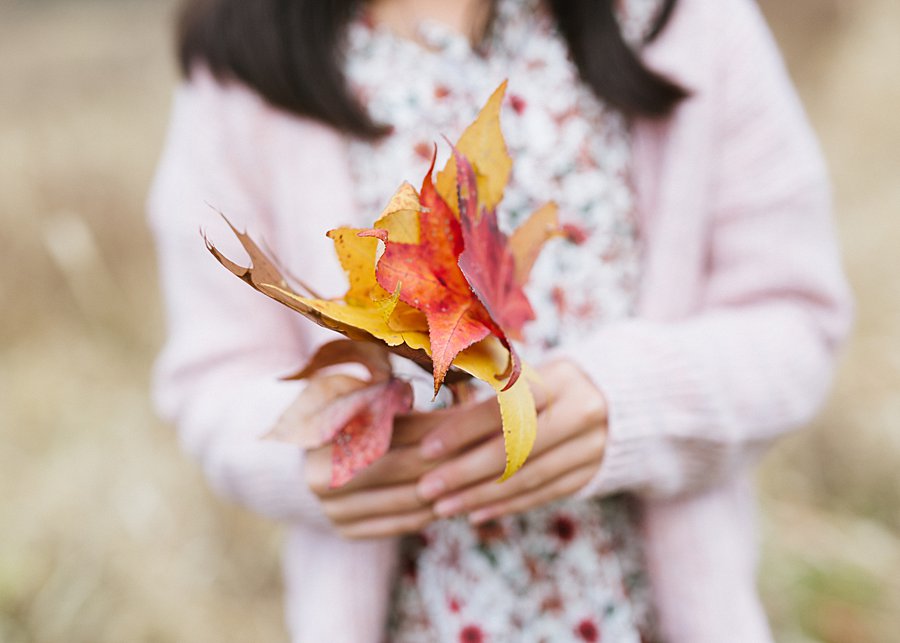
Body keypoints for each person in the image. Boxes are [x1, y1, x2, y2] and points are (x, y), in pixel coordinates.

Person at [147, 0, 852, 640]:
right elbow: (212, 382)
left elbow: (796, 318)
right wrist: (320, 451)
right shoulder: (246, 58)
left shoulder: (682, 22)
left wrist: (632, 400)